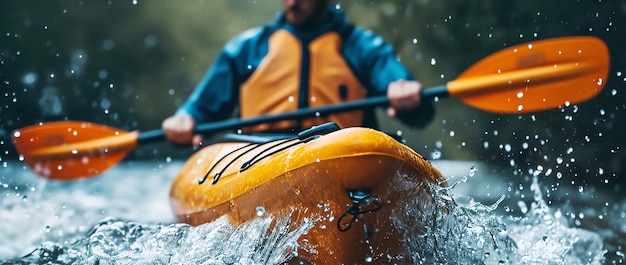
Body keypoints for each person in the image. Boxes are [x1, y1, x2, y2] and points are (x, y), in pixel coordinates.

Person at [162, 0, 434, 146]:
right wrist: (184, 120)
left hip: (339, 152)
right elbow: (198, 112)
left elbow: (417, 110)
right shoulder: (246, 50)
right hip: (257, 153)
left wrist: (407, 93)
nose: (292, 2)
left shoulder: (361, 47)